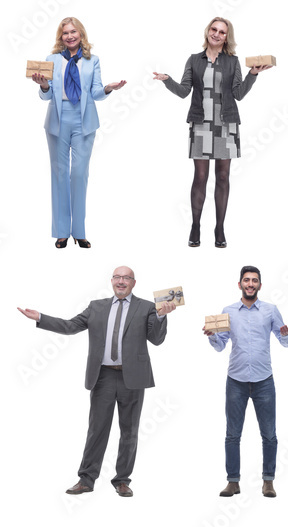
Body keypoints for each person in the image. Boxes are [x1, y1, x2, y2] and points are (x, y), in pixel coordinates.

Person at [18, 267, 174, 496]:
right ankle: (87, 479)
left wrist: (161, 315)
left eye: (126, 278)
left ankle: (122, 480)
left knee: (129, 431)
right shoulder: (96, 307)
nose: (121, 281)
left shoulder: (147, 307)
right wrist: (41, 318)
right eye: (117, 277)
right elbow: (70, 326)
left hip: (133, 377)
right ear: (112, 281)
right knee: (97, 429)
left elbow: (157, 339)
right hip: (103, 377)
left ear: (134, 282)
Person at [154, 17, 272, 248]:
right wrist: (168, 81)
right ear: (208, 31)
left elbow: (238, 94)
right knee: (200, 176)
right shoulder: (194, 60)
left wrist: (253, 74)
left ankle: (219, 227)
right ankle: (195, 225)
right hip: (201, 122)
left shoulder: (232, 62)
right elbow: (183, 91)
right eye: (214, 29)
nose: (217, 34)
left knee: (223, 176)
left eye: (222, 32)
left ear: (227, 37)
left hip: (226, 123)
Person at [32, 17, 125, 248]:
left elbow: (94, 91)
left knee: (80, 174)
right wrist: (43, 85)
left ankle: (79, 231)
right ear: (60, 37)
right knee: (60, 175)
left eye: (74, 32)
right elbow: (47, 94)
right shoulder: (51, 59)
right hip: (57, 118)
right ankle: (62, 231)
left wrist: (107, 88)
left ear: (81, 34)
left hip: (83, 120)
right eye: (65, 33)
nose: (70, 36)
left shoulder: (92, 60)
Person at [206, 265, 288, 498]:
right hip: (235, 380)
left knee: (269, 434)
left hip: (264, 380)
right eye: (246, 280)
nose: (250, 284)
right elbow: (220, 346)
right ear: (240, 284)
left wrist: (285, 334)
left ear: (260, 285)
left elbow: (284, 341)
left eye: (254, 281)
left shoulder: (270, 310)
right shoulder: (228, 311)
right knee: (232, 434)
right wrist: (212, 336)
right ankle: (233, 482)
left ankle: (268, 481)